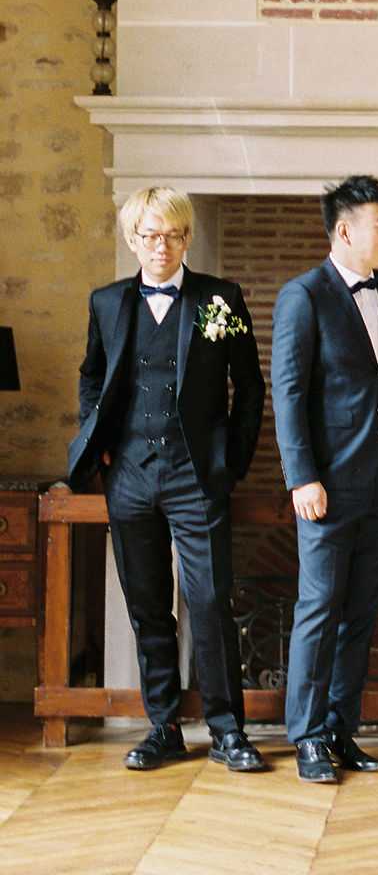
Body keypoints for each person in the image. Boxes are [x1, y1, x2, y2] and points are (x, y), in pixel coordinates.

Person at [68, 187, 267, 772]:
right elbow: (91, 377)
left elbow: (250, 387)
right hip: (130, 476)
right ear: (133, 239)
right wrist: (100, 442)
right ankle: (164, 727)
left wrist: (230, 461)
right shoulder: (107, 302)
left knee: (209, 600)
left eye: (174, 235)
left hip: (197, 475)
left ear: (186, 239)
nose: (163, 246)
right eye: (151, 235)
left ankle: (228, 732)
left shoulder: (220, 299)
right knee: (148, 606)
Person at [272, 176, 378, 783]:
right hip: (327, 484)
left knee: (361, 611)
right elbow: (288, 393)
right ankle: (307, 737)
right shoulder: (303, 295)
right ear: (344, 231)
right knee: (318, 607)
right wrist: (301, 477)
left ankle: (340, 728)